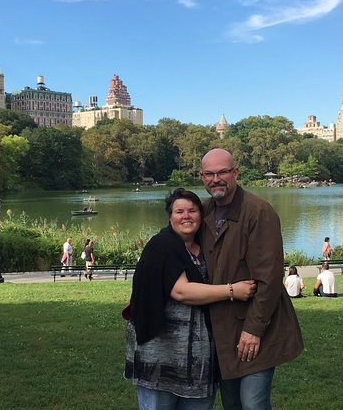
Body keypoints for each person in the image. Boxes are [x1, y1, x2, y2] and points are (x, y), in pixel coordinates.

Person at [125, 188, 257, 410]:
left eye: (192, 210)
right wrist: (232, 291)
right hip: (162, 356)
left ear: (201, 215)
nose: (186, 216)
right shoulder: (162, 244)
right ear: (170, 217)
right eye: (179, 211)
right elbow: (181, 292)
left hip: (199, 360)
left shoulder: (205, 248)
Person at [199, 148, 304, 410]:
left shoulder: (258, 212)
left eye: (222, 172)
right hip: (221, 330)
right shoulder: (202, 212)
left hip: (257, 327)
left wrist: (254, 330)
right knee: (232, 404)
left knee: (253, 404)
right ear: (202, 177)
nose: (216, 179)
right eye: (209, 174)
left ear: (235, 173)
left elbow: (269, 277)